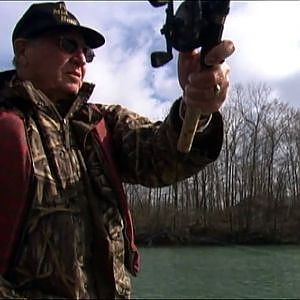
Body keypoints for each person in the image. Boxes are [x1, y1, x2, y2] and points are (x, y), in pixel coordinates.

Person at [0, 1, 234, 299]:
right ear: (22, 51)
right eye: (68, 44)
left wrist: (197, 108)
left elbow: (162, 156)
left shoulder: (102, 123)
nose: (80, 60)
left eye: (87, 53)